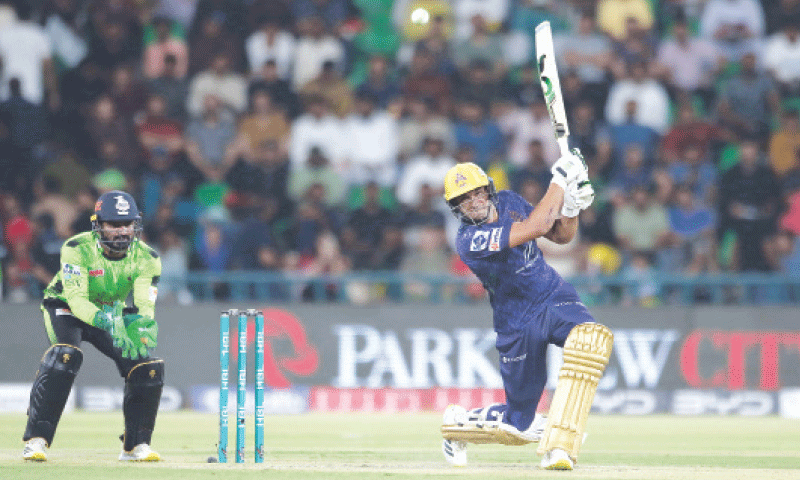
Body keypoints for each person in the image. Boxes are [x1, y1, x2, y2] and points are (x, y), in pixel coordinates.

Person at [439, 152, 613, 470]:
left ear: (488, 189)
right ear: (456, 208)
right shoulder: (468, 240)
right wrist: (560, 180)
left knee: (591, 340)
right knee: (518, 424)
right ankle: (457, 426)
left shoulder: (508, 200)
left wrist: (572, 207)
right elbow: (536, 226)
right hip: (517, 322)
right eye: (464, 199)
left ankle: (559, 445)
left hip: (552, 295)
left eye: (477, 192)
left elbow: (560, 235)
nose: (473, 201)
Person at [22, 190, 164, 462]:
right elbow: (77, 300)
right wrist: (108, 321)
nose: (122, 232)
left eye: (128, 224)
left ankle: (136, 446)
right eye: (114, 225)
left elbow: (145, 303)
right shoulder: (76, 248)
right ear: (98, 224)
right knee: (65, 355)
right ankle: (36, 441)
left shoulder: (148, 257)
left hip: (111, 310)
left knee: (147, 366)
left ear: (136, 224)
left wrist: (144, 325)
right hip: (65, 306)